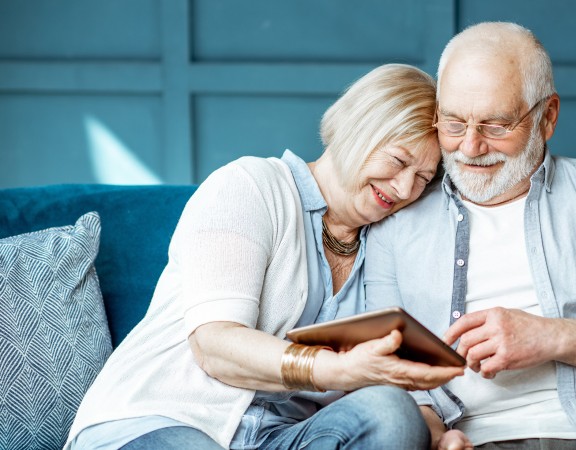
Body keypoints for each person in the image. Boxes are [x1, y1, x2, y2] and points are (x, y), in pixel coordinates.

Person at [66, 63, 464, 450]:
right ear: (356, 129)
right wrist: (333, 369)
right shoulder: (251, 185)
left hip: (279, 436)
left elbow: (394, 377)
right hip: (167, 416)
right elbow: (214, 345)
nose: (404, 189)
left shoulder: (384, 246)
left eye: (422, 178)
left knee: (391, 413)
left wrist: (435, 434)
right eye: (398, 161)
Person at [365, 22, 576, 450]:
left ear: (547, 117)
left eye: (496, 125)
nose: (470, 148)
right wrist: (430, 428)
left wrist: (552, 336)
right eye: (454, 124)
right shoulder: (398, 221)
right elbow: (386, 363)